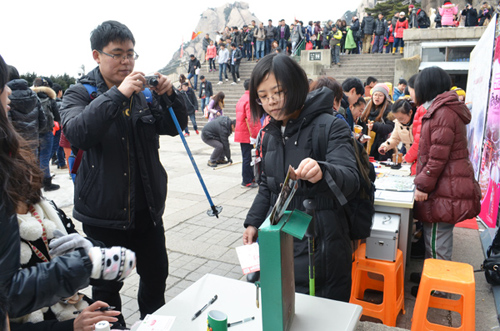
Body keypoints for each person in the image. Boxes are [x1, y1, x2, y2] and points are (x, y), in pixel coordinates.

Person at [60, 20, 187, 320]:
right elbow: (78, 133)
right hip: (103, 219)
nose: (126, 60)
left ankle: (153, 325)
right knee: (105, 295)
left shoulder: (143, 94)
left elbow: (175, 126)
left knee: (156, 281)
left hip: (148, 213)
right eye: (117, 53)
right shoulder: (78, 94)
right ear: (96, 56)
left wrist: (170, 96)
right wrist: (118, 94)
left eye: (130, 53)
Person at [0, 54, 135, 328]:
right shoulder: (77, 96)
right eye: (3, 85)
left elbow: (73, 248)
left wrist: (91, 251)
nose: (9, 92)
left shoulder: (39, 201)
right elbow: (8, 297)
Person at [242, 54, 359, 301]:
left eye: (278, 92)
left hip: (321, 247)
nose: (271, 101)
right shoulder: (270, 133)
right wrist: (253, 222)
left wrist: (323, 171)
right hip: (281, 242)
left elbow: (351, 179)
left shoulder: (330, 125)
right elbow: (267, 185)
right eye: (263, 96)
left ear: (296, 86)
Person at [412, 66, 481, 287]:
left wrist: (422, 185)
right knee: (435, 237)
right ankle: (429, 277)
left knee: (436, 240)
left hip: (444, 187)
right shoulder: (443, 109)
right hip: (446, 184)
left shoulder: (442, 112)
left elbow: (437, 158)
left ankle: (437, 288)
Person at [6, 65, 46, 156]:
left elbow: (6, 125)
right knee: (31, 169)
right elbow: (43, 121)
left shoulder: (5, 96)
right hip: (32, 143)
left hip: (14, 145)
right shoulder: (33, 94)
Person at [32, 77, 61, 192]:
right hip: (47, 131)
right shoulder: (50, 99)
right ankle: (47, 183)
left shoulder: (31, 98)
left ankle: (36, 182)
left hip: (33, 132)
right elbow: (57, 117)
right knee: (45, 157)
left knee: (35, 157)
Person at [234, 79, 261, 188]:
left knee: (247, 157)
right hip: (247, 134)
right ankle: (247, 180)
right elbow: (251, 120)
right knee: (248, 158)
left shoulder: (242, 99)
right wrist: (255, 135)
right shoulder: (250, 100)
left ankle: (250, 177)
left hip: (242, 133)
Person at [360, 83, 394, 161]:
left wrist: (374, 126)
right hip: (366, 143)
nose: (377, 97)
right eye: (375, 95)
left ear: (385, 97)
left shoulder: (389, 109)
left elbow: (390, 127)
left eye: (380, 95)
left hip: (380, 145)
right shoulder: (367, 106)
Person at [50, 83, 67, 170]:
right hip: (59, 126)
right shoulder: (61, 103)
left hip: (51, 126)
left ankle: (57, 161)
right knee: (59, 146)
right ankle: (61, 163)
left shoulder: (50, 101)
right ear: (59, 92)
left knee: (53, 145)